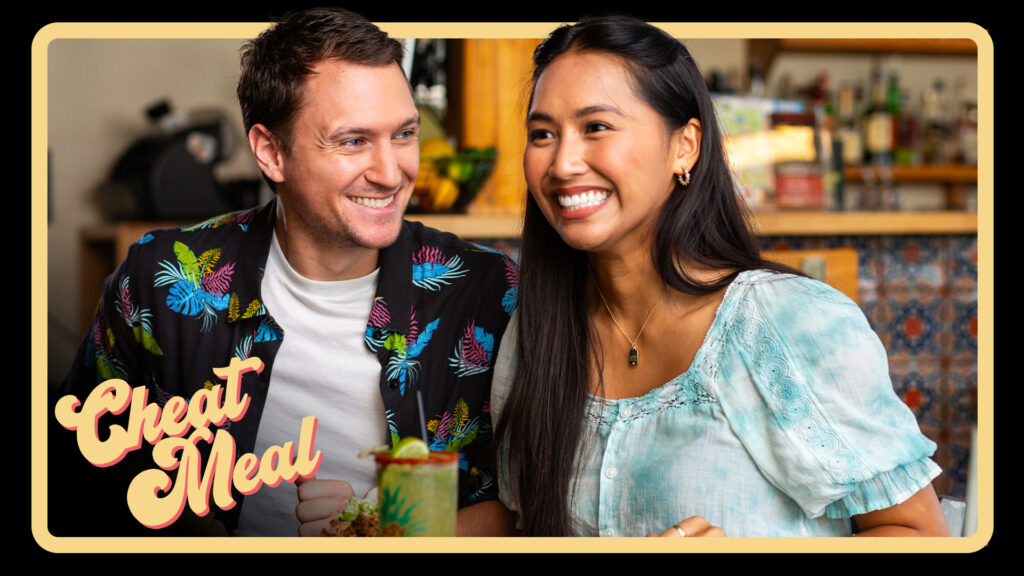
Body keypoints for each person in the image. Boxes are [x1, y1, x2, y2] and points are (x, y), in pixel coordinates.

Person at [51, 7, 517, 537]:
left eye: (404, 134)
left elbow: (544, 503)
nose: (392, 173)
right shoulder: (160, 278)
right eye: (352, 141)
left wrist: (385, 527)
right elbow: (74, 479)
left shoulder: (489, 290)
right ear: (271, 153)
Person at [490, 16, 950, 537]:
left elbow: (922, 535)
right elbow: (519, 524)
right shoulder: (535, 334)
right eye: (543, 134)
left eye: (597, 126)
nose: (563, 163)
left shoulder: (787, 322)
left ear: (684, 145)